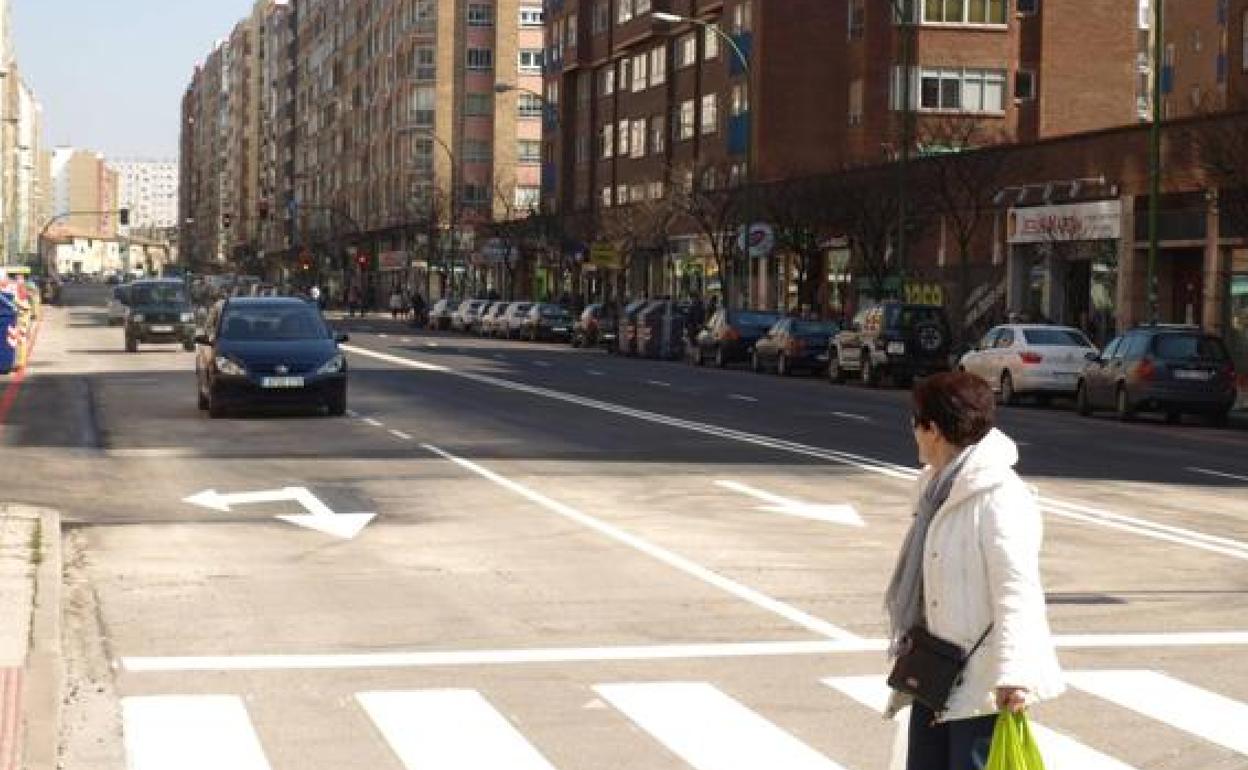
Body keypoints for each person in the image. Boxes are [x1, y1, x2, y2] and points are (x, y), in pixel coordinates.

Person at [885, 372, 1064, 770]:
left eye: (915, 422)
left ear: (933, 429)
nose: (913, 433)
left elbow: (1017, 590)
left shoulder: (999, 497)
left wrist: (1014, 675)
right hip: (935, 676)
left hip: (981, 685)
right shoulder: (936, 490)